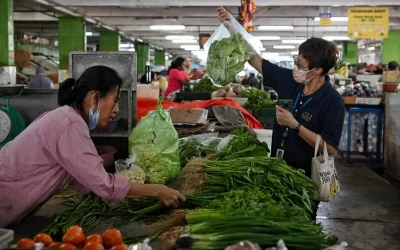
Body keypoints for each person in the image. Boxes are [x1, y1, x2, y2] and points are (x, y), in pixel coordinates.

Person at [0, 66, 185, 227]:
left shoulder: (67, 118)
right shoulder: (70, 123)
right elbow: (102, 183)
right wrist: (157, 190)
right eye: (115, 100)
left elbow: (85, 179)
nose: (117, 109)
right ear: (94, 97)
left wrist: (113, 192)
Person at [218, 7, 345, 178]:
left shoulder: (332, 101)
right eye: (296, 61)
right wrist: (232, 26)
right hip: (276, 169)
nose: (295, 68)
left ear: (317, 70)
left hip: (305, 178)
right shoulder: (288, 79)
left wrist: (295, 125)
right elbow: (253, 57)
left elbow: (329, 148)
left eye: (301, 65)